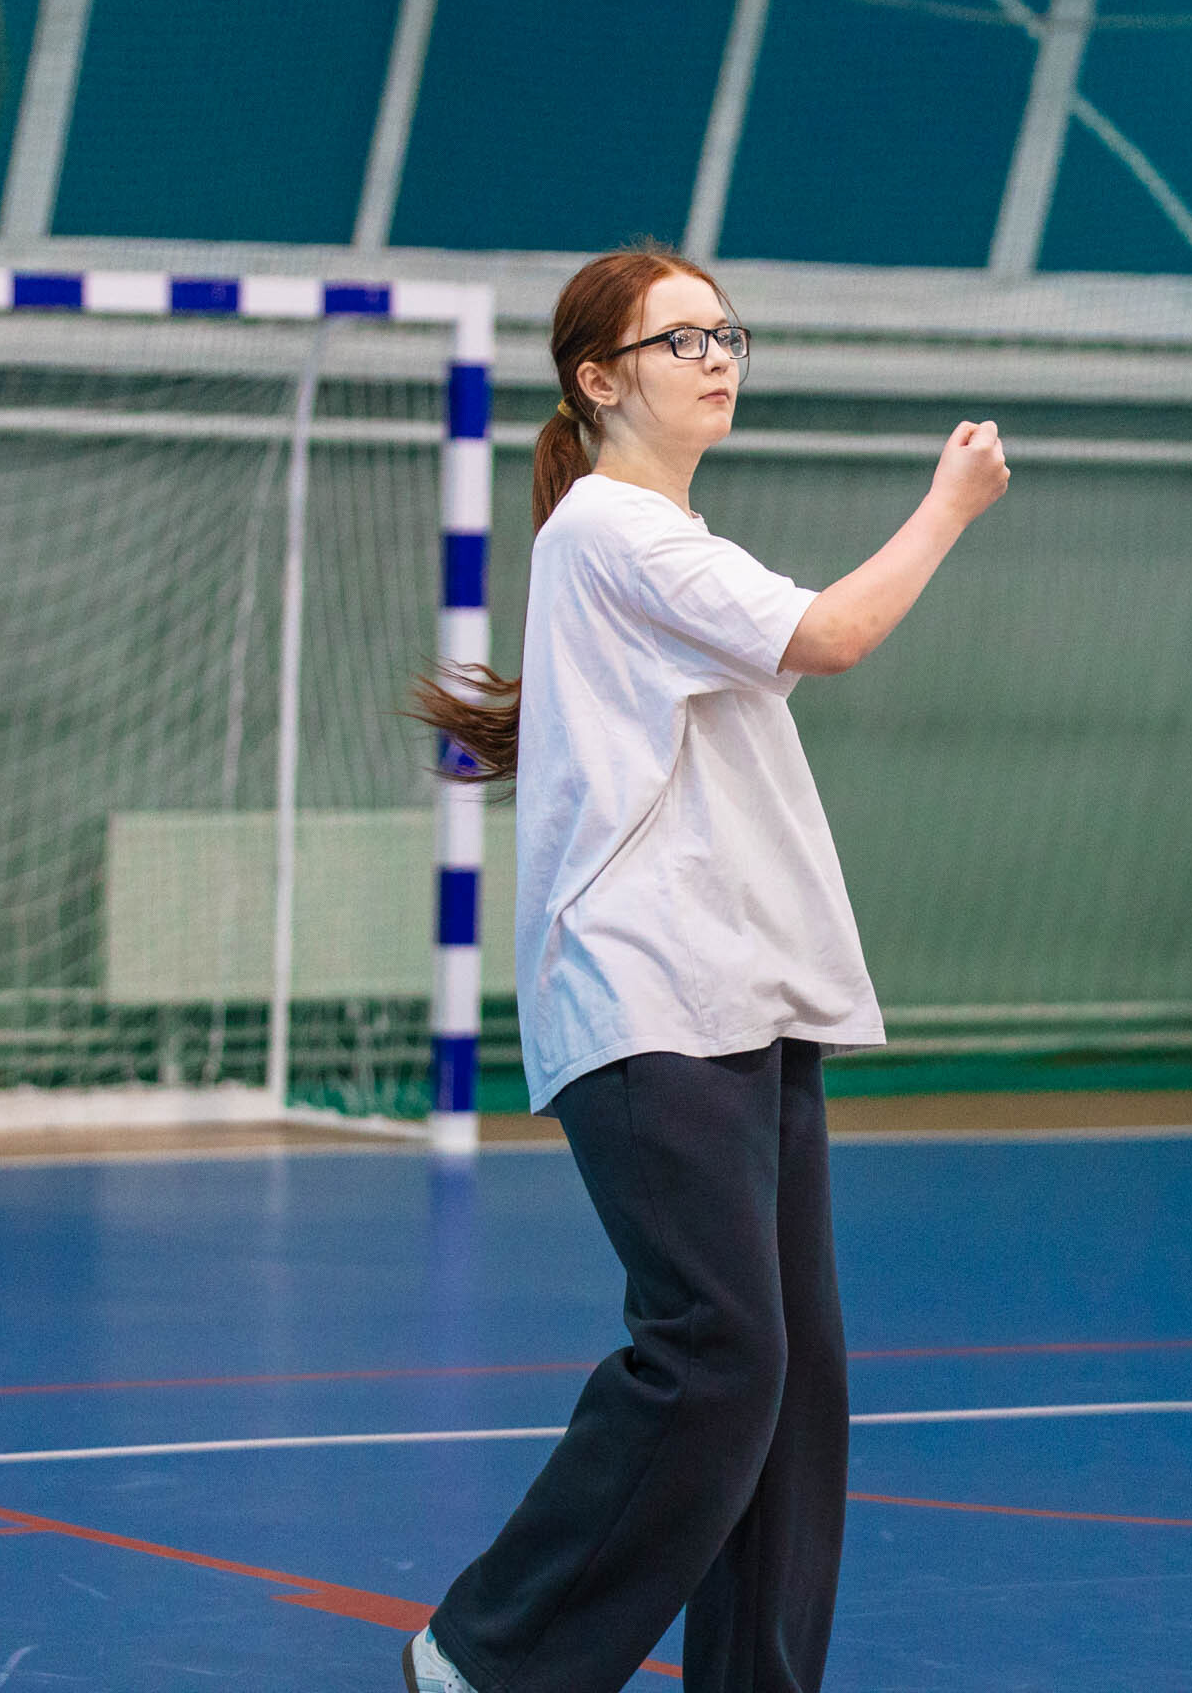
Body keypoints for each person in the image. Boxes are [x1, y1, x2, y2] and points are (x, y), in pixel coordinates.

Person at [399, 244, 1010, 1693]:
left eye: (727, 333)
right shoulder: (615, 529)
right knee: (718, 1353)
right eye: (681, 340)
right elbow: (834, 633)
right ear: (598, 380)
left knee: (791, 1388)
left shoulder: (660, 542)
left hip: (744, 999)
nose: (718, 356)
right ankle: (487, 1661)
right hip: (650, 1003)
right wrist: (949, 504)